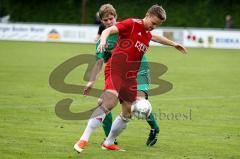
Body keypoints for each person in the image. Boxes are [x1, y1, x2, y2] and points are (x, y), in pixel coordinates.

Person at [74, 4, 187, 152]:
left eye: (157, 25)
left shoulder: (147, 33)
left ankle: (108, 142)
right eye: (153, 23)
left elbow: (155, 37)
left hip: (131, 76)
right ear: (147, 15)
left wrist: (174, 44)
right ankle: (83, 139)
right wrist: (102, 41)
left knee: (128, 112)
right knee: (108, 102)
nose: (153, 27)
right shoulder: (131, 24)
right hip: (116, 68)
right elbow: (108, 30)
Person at [84, 4, 160, 147]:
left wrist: (173, 43)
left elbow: (151, 35)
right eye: (105, 20)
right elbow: (100, 61)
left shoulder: (125, 27)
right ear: (101, 21)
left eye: (111, 19)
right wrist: (91, 80)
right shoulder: (103, 41)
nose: (108, 22)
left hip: (140, 69)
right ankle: (109, 139)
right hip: (121, 72)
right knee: (102, 103)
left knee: (138, 103)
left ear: (116, 17)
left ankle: (154, 128)